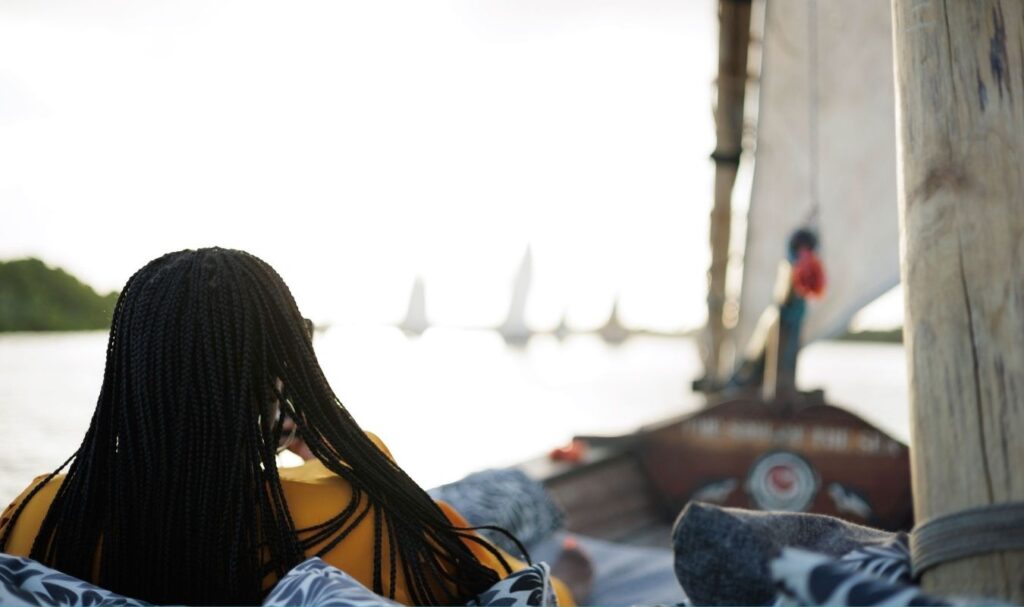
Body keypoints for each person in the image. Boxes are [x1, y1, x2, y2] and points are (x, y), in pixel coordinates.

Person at [0, 247, 574, 606]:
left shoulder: (37, 515)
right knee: (511, 494)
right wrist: (350, 449)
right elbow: (504, 584)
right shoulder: (353, 509)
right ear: (284, 374)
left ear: (127, 371)